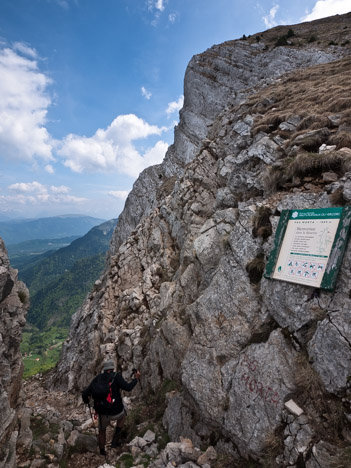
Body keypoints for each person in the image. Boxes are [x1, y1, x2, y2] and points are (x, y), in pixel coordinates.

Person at [82, 359, 140, 456]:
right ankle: (114, 441)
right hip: (117, 411)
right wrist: (136, 379)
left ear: (104, 370)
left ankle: (102, 452)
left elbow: (85, 394)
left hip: (102, 412)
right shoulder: (116, 376)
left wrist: (87, 401)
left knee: (102, 430)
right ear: (112, 368)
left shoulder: (98, 378)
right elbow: (128, 387)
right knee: (123, 415)